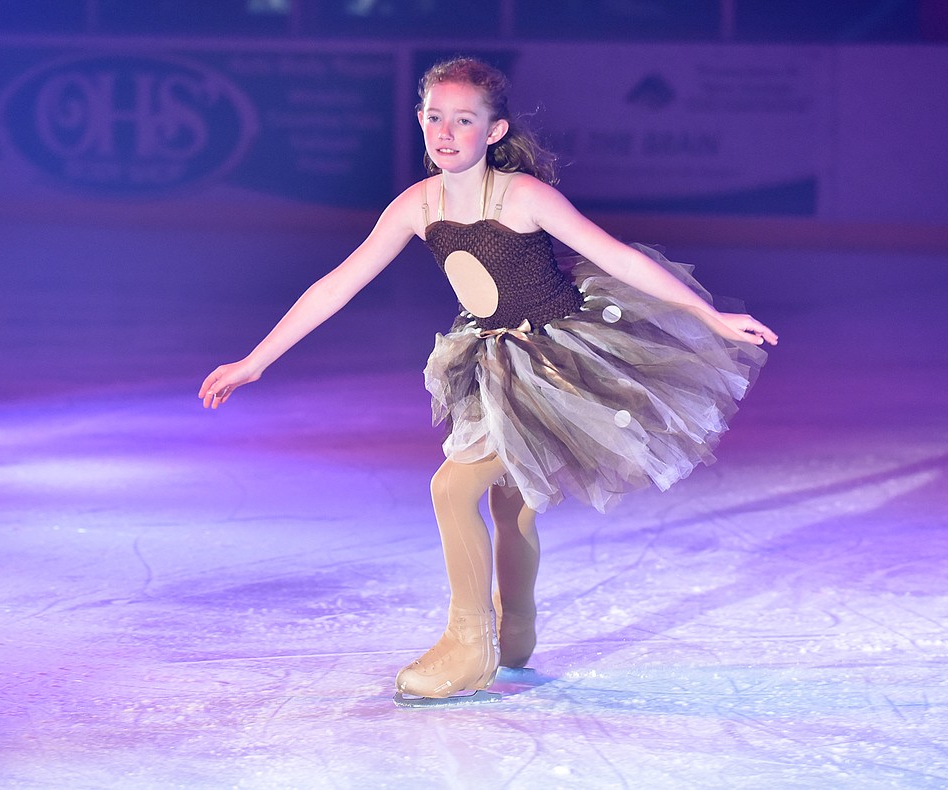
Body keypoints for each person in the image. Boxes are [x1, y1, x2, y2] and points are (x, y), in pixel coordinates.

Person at [200, 57, 778, 706]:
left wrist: (708, 315)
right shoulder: (418, 206)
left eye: (463, 120)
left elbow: (614, 255)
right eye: (435, 117)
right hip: (490, 358)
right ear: (420, 120)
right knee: (508, 505)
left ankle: (472, 645)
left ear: (495, 130)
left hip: (564, 363)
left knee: (454, 490)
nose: (446, 131)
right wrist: (257, 359)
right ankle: (518, 632)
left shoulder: (523, 196)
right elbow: (338, 283)